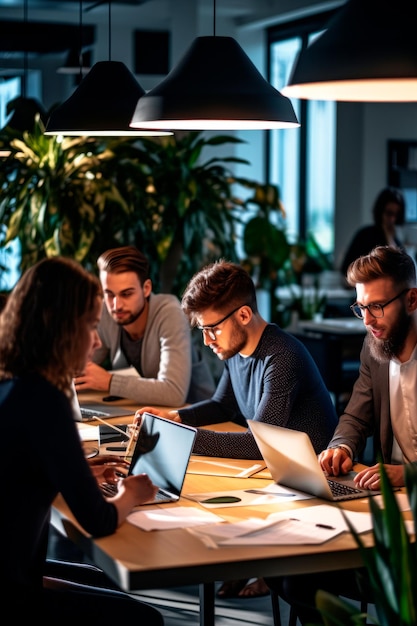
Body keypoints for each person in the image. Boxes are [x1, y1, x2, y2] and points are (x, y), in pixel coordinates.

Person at [138, 259, 338, 598]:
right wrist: (177, 418)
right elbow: (222, 405)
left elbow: (259, 443)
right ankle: (253, 568)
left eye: (212, 328)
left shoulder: (282, 356)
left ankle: (264, 571)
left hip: (318, 491)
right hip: (275, 482)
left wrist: (185, 439)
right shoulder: (234, 351)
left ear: (243, 315)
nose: (206, 340)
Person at [0, 256, 164, 623]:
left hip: (15, 569)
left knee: (95, 577)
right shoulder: (46, 401)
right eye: (89, 325)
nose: (94, 341)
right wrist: (133, 494)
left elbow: (22, 469)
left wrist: (80, 471)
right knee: (145, 619)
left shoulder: (12, 385)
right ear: (59, 327)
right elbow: (101, 520)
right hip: (14, 594)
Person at [266, 245, 417, 624]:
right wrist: (341, 446)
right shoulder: (374, 346)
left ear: (413, 298)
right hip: (391, 512)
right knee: (291, 574)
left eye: (378, 306)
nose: (367, 319)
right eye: (361, 307)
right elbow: (355, 413)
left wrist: (408, 474)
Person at [74, 245, 215, 405]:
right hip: (141, 413)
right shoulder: (106, 312)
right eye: (109, 294)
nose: (116, 305)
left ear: (146, 288)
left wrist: (110, 382)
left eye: (126, 294)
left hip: (194, 419)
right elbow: (83, 366)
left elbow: (174, 393)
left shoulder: (169, 312)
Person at [340, 186, 405, 279]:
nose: (392, 219)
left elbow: (400, 272)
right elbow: (346, 268)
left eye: (396, 215)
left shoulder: (395, 240)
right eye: (389, 213)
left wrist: (389, 237)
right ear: (380, 212)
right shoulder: (365, 236)